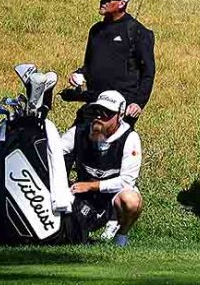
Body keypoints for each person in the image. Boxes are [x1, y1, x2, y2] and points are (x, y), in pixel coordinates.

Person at [60, 90, 143, 247]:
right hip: (83, 192)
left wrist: (91, 186)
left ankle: (121, 235)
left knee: (131, 201)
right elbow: (54, 152)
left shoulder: (130, 138)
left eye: (107, 113)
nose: (99, 116)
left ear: (120, 116)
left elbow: (126, 181)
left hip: (112, 195)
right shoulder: (79, 131)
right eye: (97, 110)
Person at [69, 0, 156, 127]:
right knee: (76, 142)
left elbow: (148, 71)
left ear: (121, 3)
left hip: (121, 107)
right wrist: (79, 74)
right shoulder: (96, 30)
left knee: (111, 147)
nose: (102, 1)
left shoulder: (137, 32)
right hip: (95, 101)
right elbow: (90, 64)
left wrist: (138, 103)